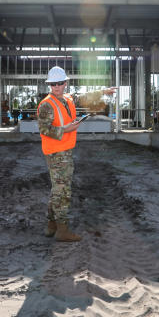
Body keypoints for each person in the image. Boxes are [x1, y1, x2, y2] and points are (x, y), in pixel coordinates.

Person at [37, 65, 116, 242]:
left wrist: (104, 91)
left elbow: (82, 97)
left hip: (64, 150)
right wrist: (66, 129)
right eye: (53, 84)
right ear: (50, 85)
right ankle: (62, 230)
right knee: (63, 190)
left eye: (59, 83)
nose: (56, 87)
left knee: (57, 189)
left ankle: (51, 226)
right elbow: (43, 129)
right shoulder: (46, 105)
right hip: (56, 153)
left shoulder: (66, 98)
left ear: (65, 83)